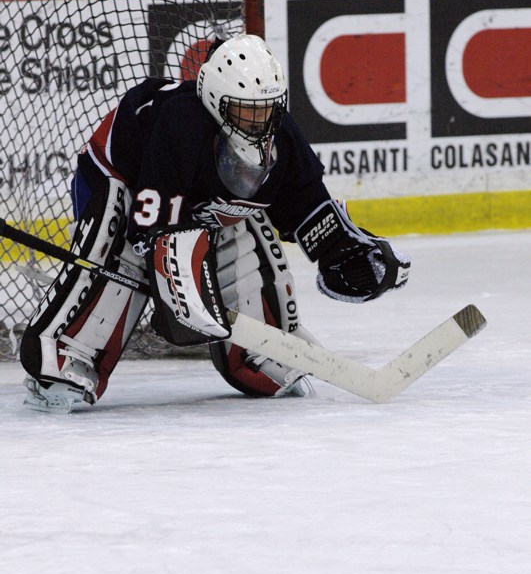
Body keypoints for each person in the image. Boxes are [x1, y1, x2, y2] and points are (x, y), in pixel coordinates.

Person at [20, 34, 411, 413]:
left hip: (194, 198)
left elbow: (307, 202)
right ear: (214, 99)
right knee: (123, 251)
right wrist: (176, 289)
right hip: (121, 180)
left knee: (241, 223)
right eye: (245, 109)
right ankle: (67, 358)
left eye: (267, 108)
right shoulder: (180, 122)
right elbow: (153, 222)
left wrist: (343, 250)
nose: (259, 120)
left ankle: (261, 352)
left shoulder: (280, 135)